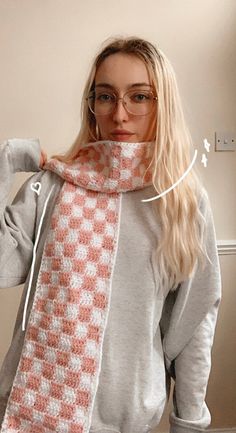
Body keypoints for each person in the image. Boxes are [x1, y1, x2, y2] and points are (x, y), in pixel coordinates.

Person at [0, 37, 221, 433]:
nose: (119, 114)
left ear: (162, 105)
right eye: (106, 96)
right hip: (28, 412)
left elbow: (192, 324)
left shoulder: (182, 201)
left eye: (140, 97)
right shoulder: (51, 185)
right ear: (92, 105)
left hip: (125, 420)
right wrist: (6, 163)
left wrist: (188, 421)